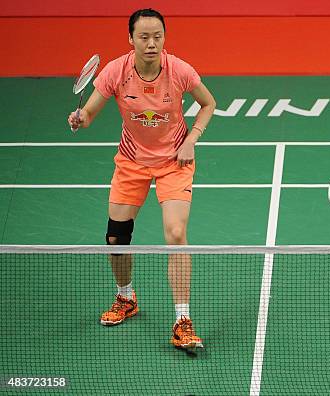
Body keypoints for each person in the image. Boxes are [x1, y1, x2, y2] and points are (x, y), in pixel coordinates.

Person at [67, 8, 216, 349]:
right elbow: (90, 112)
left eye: (157, 36)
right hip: (132, 162)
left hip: (174, 161)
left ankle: (182, 320)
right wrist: (80, 118)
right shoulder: (115, 72)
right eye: (144, 37)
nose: (151, 43)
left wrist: (191, 140)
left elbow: (208, 104)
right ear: (131, 39)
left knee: (176, 235)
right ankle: (125, 298)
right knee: (116, 240)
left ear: (165, 37)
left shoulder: (179, 69)